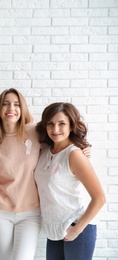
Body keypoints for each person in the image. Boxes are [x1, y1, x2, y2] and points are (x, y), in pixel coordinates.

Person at [34, 102, 105, 260]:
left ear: (71, 126)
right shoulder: (44, 150)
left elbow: (99, 198)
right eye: (50, 124)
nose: (55, 129)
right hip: (54, 228)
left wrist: (77, 229)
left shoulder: (74, 154)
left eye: (61, 124)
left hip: (76, 226)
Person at [0, 88, 41, 260]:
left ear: (22, 108)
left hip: (30, 212)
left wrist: (83, 147)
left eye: (17, 104)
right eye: (6, 104)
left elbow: (61, 140)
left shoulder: (36, 131)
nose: (11, 108)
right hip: (0, 211)